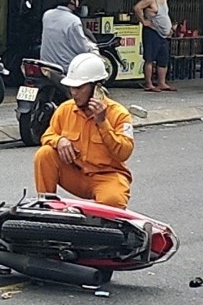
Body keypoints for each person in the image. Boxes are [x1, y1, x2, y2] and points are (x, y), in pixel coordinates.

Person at [33, 52, 134, 209]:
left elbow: (124, 153)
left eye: (79, 88)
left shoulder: (118, 113)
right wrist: (59, 141)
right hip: (76, 174)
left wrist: (102, 123)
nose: (74, 93)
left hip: (107, 176)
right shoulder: (65, 109)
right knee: (44, 154)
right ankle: (46, 206)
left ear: (96, 88)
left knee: (113, 201)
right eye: (72, 88)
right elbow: (47, 135)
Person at [40, 0, 97, 71]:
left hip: (46, 65)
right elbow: (81, 48)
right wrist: (92, 48)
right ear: (72, 1)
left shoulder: (47, 15)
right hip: (66, 67)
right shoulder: (73, 20)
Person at [133, 0, 176, 92]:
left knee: (163, 58)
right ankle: (149, 83)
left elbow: (165, 15)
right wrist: (143, 21)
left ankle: (162, 82)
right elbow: (137, 8)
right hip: (152, 32)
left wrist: (170, 27)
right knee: (150, 58)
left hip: (164, 34)